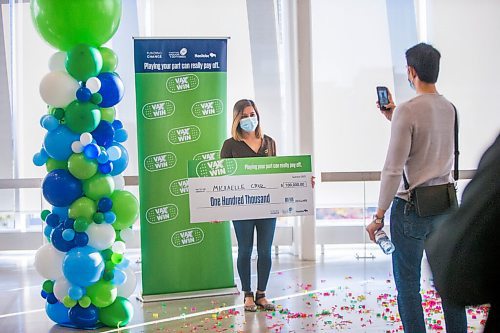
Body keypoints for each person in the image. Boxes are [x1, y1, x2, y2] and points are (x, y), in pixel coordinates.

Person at [365, 43, 467, 332]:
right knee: (449, 284)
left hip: (411, 210)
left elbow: (393, 168)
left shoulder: (407, 111)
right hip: (447, 205)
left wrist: (378, 216)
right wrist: (394, 117)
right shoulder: (450, 109)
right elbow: (430, 143)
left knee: (409, 287)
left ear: (411, 71)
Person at [426, 133, 500, 332]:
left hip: (415, 206)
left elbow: (455, 270)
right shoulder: (449, 109)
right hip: (443, 196)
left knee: (407, 283)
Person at [220, 99, 277, 312]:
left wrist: (301, 183)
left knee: (265, 251)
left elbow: (278, 174)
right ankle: (248, 295)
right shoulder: (230, 145)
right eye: (244, 116)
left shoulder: (269, 142)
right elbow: (221, 179)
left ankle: (262, 294)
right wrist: (216, 208)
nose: (249, 119)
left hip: (267, 207)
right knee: (245, 250)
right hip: (241, 208)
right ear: (236, 119)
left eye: (252, 114)